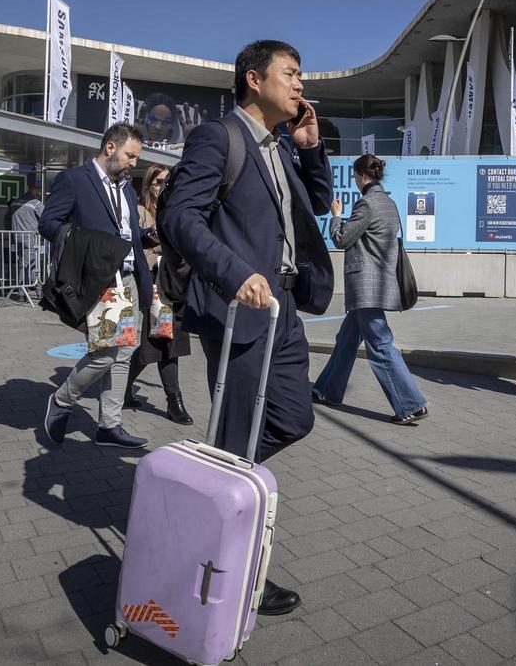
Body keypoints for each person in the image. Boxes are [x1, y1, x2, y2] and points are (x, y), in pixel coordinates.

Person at [161, 39, 334, 617]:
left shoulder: (279, 145)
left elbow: (318, 208)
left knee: (293, 417)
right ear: (254, 80)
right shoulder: (220, 137)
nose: (300, 84)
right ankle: (226, 571)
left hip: (282, 305)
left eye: (301, 75)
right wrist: (234, 274)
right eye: (291, 73)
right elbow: (178, 216)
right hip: (240, 309)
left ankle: (205, 488)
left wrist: (310, 150)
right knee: (238, 444)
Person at [38, 123, 154, 449]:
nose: (133, 162)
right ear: (110, 148)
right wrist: (93, 246)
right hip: (103, 280)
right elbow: (48, 224)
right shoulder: (75, 181)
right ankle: (62, 401)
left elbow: (126, 236)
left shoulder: (127, 190)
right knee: (105, 354)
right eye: (130, 155)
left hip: (129, 278)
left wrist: (149, 237)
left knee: (124, 353)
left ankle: (109, 426)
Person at [312, 154, 428, 424]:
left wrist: (336, 216)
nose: (354, 181)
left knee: (380, 344)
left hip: (367, 287)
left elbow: (341, 239)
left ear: (361, 176)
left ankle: (410, 404)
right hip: (380, 282)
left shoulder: (367, 205)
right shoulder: (389, 203)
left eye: (354, 176)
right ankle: (326, 390)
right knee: (347, 340)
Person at [123, 164, 193, 425]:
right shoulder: (142, 213)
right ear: (148, 184)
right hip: (155, 285)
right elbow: (139, 252)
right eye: (157, 181)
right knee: (165, 342)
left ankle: (125, 386)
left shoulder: (176, 210)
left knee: (157, 343)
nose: (162, 186)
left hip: (175, 285)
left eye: (166, 181)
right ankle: (174, 401)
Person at [10, 185, 44, 285]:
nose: (40, 194)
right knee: (31, 264)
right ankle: (38, 290)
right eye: (39, 191)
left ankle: (23, 290)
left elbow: (8, 219)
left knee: (23, 262)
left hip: (16, 236)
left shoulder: (15, 202)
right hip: (29, 237)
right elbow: (46, 218)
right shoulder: (36, 203)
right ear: (36, 191)